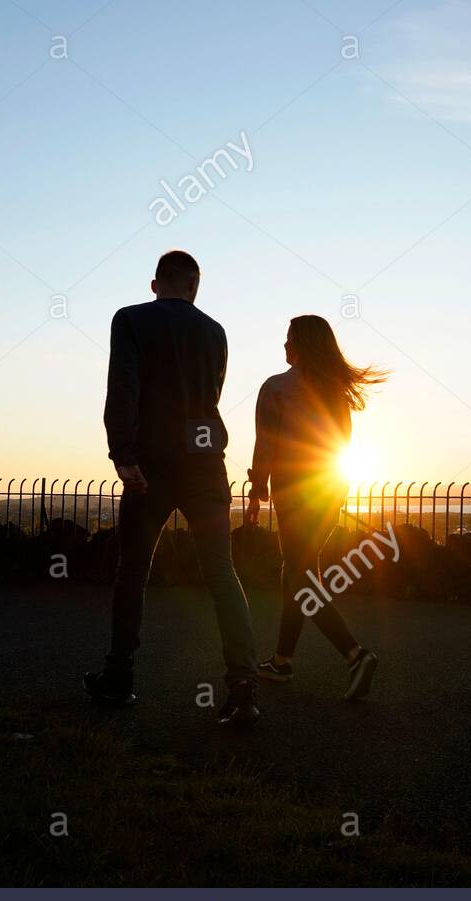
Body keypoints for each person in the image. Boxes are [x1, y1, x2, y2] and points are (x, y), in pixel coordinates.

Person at [85, 250, 261, 729]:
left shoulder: (130, 320)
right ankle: (243, 688)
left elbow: (122, 386)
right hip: (205, 462)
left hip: (153, 463)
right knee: (222, 573)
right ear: (194, 287)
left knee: (133, 569)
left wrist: (124, 453)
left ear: (154, 283)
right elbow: (213, 395)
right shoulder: (216, 331)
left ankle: (119, 677)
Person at [246, 315, 386, 700]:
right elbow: (341, 446)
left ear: (303, 344)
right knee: (299, 573)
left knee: (302, 577)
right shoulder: (336, 393)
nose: (284, 346)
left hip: (294, 493)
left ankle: (355, 654)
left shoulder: (276, 388)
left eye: (289, 339)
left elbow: (266, 445)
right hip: (329, 490)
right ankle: (282, 660)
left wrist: (257, 489)